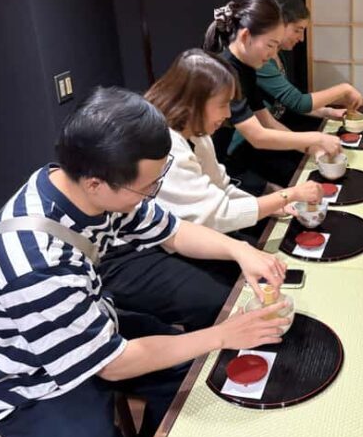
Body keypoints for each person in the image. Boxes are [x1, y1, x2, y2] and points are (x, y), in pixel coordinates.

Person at [0, 87, 289, 437]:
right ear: (96, 183)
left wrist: (241, 252)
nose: (152, 193)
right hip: (28, 382)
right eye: (147, 187)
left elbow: (172, 231)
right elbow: (114, 365)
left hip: (89, 322)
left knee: (191, 375)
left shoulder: (84, 189)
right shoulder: (35, 265)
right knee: (97, 433)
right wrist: (222, 335)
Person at [98, 50, 324, 332]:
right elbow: (213, 215)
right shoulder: (163, 146)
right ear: (195, 102)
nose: (229, 114)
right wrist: (287, 195)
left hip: (164, 232)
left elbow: (217, 193)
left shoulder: (197, 135)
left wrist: (272, 210)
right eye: (224, 104)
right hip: (130, 250)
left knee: (253, 261)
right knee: (218, 302)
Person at [203, 0, 341, 195]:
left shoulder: (247, 69)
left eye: (277, 46)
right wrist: (315, 139)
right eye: (270, 45)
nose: (273, 54)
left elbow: (267, 122)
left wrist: (308, 147)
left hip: (223, 160)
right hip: (208, 166)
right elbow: (258, 136)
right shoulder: (225, 74)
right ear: (245, 36)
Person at [255, 0, 363, 132]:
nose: (301, 38)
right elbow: (298, 102)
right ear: (278, 24)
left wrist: (329, 112)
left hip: (273, 130)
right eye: (297, 30)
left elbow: (290, 101)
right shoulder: (260, 61)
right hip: (248, 144)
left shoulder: (278, 55)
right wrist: (344, 89)